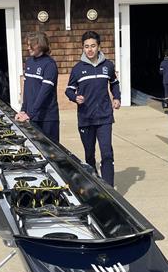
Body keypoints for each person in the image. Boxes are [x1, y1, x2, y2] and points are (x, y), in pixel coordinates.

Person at [66, 31, 121, 186]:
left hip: (104, 117)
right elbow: (69, 90)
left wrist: (116, 98)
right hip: (86, 118)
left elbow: (114, 83)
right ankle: (95, 182)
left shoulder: (108, 66)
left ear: (99, 47)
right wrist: (74, 97)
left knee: (107, 153)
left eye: (92, 46)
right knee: (90, 155)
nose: (89, 49)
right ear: (83, 48)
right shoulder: (78, 69)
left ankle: (109, 189)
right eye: (86, 46)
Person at [15, 31, 59, 142]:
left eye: (31, 45)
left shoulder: (49, 65)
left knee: (50, 151)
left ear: (40, 45)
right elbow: (27, 89)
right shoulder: (29, 62)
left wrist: (30, 113)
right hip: (33, 116)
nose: (28, 47)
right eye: (27, 44)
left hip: (47, 118)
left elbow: (44, 93)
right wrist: (24, 110)